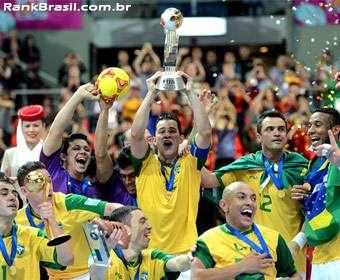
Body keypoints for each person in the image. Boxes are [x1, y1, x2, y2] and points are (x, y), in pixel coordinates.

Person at [201, 110, 309, 277]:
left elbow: (315, 212)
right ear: (259, 137)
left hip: (292, 260)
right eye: (270, 129)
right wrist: (190, 155)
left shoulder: (302, 168)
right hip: (254, 260)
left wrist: (297, 243)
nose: (277, 133)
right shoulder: (245, 166)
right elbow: (207, 181)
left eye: (281, 129)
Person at [130, 71, 212, 257]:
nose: (167, 134)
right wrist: (151, 93)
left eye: (172, 131)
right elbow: (135, 134)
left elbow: (205, 133)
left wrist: (190, 93)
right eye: (162, 132)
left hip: (186, 255)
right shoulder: (144, 163)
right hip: (149, 255)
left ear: (181, 138)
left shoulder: (192, 161)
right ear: (153, 139)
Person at [15, 161, 122, 280]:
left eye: (49, 181)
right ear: (24, 191)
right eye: (39, 183)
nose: (48, 187)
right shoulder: (18, 221)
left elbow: (114, 208)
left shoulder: (69, 203)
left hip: (93, 272)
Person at [191, 182, 301, 279]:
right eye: (241, 197)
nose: (250, 202)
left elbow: (294, 275)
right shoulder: (208, 240)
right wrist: (242, 266)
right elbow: (196, 276)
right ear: (224, 205)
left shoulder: (274, 237)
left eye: (253, 198)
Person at [291, 108, 340, 279]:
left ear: (335, 130)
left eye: (317, 125)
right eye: (309, 125)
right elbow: (317, 210)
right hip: (320, 253)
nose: (310, 130)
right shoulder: (314, 165)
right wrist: (298, 242)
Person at [89, 206, 194, 280]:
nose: (149, 226)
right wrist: (104, 251)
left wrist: (193, 256)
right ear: (125, 228)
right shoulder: (100, 255)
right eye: (142, 221)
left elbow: (177, 264)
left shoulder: (152, 257)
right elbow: (95, 277)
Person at [0, 177, 74, 279]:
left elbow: (67, 259)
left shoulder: (32, 235)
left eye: (15, 194)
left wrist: (52, 221)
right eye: (4, 193)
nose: (13, 197)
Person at [40, 83, 104, 199]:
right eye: (76, 148)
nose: (83, 151)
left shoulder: (94, 192)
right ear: (63, 156)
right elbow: (56, 131)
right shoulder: (53, 173)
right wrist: (78, 96)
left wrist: (105, 110)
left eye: (86, 149)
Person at [94, 96, 134, 205]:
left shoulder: (155, 170)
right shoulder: (115, 178)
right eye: (124, 176)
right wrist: (104, 110)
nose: (128, 181)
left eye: (132, 175)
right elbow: (100, 154)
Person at [1, 104, 45, 204]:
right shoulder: (10, 154)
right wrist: (7, 183)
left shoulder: (48, 154)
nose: (31, 130)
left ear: (44, 126)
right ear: (21, 128)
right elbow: (1, 186)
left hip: (44, 206)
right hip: (16, 208)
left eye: (36, 125)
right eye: (27, 126)